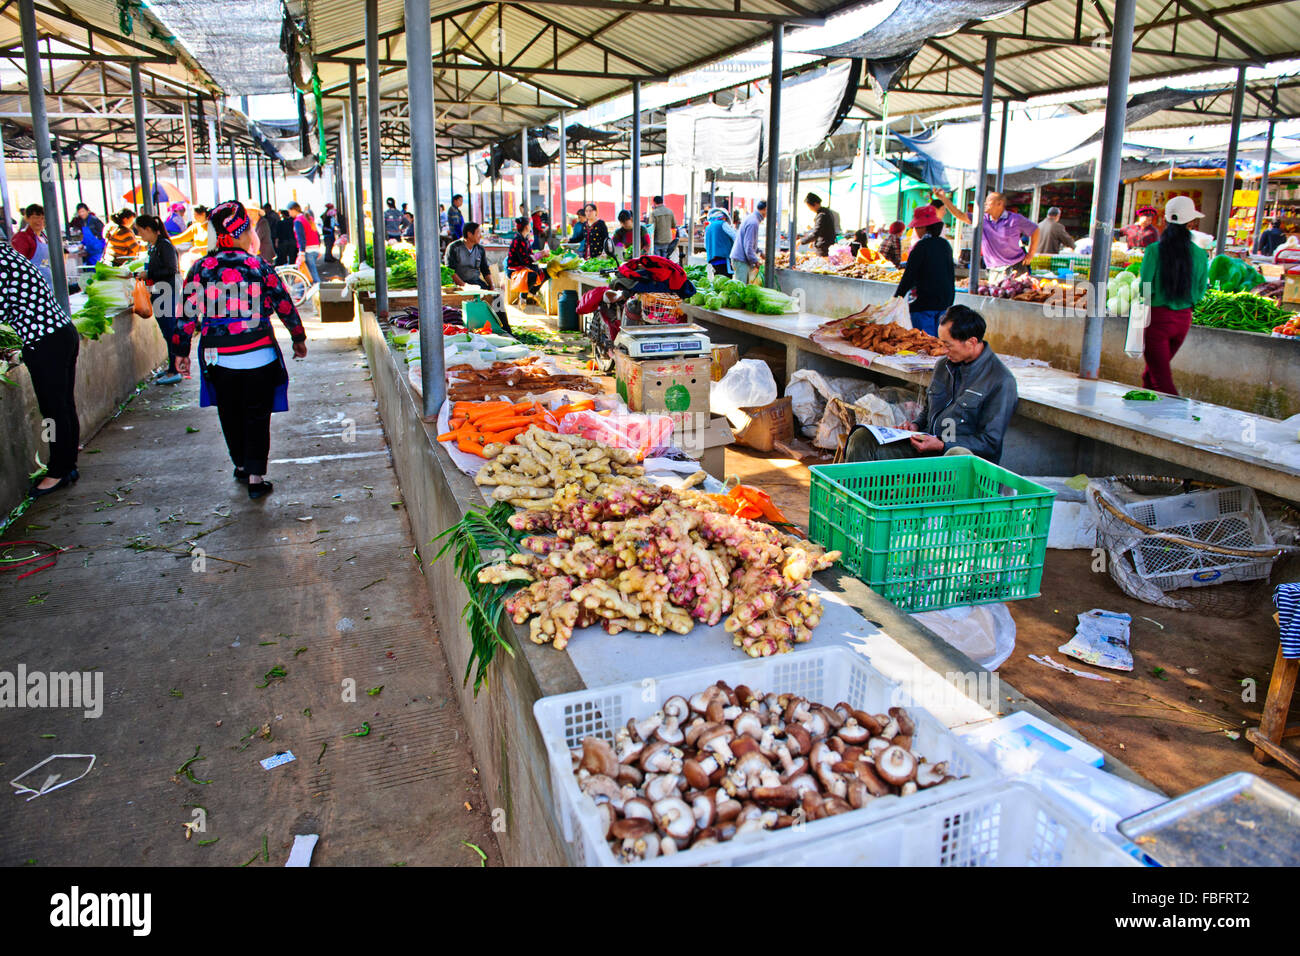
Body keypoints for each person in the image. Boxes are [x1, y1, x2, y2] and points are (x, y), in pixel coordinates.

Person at [175, 201, 308, 500]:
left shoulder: (201, 268)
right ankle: (256, 478)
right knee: (257, 415)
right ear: (245, 232)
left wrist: (180, 351)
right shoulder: (257, 265)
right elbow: (283, 303)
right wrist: (298, 336)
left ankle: (241, 465)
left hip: (218, 357)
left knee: (230, 413)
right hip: (259, 353)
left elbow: (186, 313)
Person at [843, 305, 1017, 464]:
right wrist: (915, 426)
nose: (943, 350)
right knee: (862, 438)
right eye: (942, 343)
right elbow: (929, 409)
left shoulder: (1000, 380)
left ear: (971, 342)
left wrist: (942, 445)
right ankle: (855, 490)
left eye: (948, 345)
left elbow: (990, 443)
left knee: (956, 454)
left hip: (963, 463)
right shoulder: (943, 365)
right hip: (926, 449)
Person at [0, 243, 80, 496]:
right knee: (63, 405)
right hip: (61, 333)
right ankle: (67, 465)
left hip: (44, 342)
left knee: (53, 410)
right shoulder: (9, 256)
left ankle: (57, 472)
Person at [1136, 196, 1208, 396]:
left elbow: (1145, 287)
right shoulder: (1200, 255)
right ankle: (1143, 412)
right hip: (1183, 321)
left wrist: (1148, 306)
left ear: (1165, 220)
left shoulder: (1153, 250)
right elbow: (1200, 290)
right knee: (1151, 376)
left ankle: (1180, 414)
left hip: (1158, 321)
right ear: (1191, 223)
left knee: (1163, 382)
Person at [937, 189, 1039, 274]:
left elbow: (1035, 230)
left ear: (999, 203)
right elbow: (960, 215)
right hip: (993, 270)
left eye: (988, 201)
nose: (985, 204)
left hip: (1016, 267)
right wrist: (944, 199)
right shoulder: (982, 219)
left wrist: (1031, 254)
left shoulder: (1015, 219)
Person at [135, 214, 184, 386]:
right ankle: (172, 367)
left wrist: (149, 274)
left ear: (148, 229)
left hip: (167, 293)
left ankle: (175, 370)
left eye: (140, 231)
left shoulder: (164, 245)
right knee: (167, 332)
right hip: (159, 292)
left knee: (170, 332)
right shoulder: (154, 246)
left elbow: (171, 269)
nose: (140, 235)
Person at [893, 205, 955, 337]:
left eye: (916, 227)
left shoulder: (921, 246)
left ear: (923, 227)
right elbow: (951, 274)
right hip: (944, 303)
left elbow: (909, 275)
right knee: (939, 342)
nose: (915, 230)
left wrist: (897, 297)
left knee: (925, 342)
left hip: (923, 304)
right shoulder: (945, 245)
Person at [13, 204, 54, 287]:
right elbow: (18, 265)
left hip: (48, 284)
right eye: (35, 217)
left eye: (42, 218)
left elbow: (44, 261)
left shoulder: (44, 237)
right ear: (27, 218)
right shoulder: (22, 237)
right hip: (33, 285)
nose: (39, 221)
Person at [445, 220, 492, 288]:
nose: (480, 236)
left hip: (476, 283)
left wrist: (492, 285)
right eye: (478, 233)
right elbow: (450, 270)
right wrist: (464, 285)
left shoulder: (480, 249)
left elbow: (485, 270)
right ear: (469, 234)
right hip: (458, 285)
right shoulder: (454, 247)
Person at [508, 216, 544, 300]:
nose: (531, 226)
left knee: (544, 273)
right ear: (527, 227)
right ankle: (523, 295)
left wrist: (539, 254)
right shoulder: (519, 240)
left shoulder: (525, 239)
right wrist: (539, 255)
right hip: (515, 269)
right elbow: (525, 260)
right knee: (534, 275)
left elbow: (529, 255)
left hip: (523, 267)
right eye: (529, 224)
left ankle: (531, 292)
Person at [730, 201, 766, 284]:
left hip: (740, 259)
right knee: (741, 287)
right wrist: (756, 261)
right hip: (741, 260)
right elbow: (748, 247)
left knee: (743, 286)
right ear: (765, 209)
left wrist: (760, 252)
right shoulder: (753, 222)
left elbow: (750, 242)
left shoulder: (752, 218)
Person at [289, 203, 322, 286]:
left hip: (307, 250)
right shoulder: (308, 218)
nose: (289, 213)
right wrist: (319, 248)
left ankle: (321, 291)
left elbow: (301, 238)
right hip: (315, 248)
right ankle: (314, 290)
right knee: (311, 274)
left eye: (289, 211)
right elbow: (317, 234)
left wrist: (301, 253)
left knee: (313, 276)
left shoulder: (298, 221)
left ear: (293, 210)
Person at [704, 208, 736, 277]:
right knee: (726, 279)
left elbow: (705, 245)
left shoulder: (708, 227)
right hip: (724, 258)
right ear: (724, 217)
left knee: (718, 279)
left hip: (712, 260)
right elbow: (735, 236)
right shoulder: (723, 224)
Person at [73, 203, 106, 268]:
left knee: (99, 269)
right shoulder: (82, 222)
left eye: (83, 211)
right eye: (79, 212)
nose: (81, 214)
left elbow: (104, 233)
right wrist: (82, 244)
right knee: (91, 270)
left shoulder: (95, 220)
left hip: (98, 251)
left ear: (87, 211)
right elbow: (86, 236)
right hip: (90, 251)